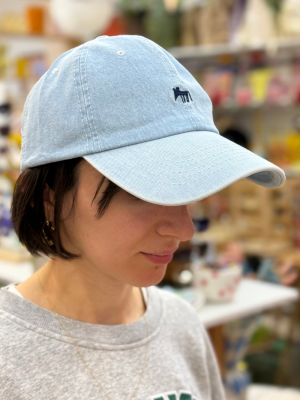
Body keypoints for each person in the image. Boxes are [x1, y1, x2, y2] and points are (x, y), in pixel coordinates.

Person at [0, 35, 285, 400]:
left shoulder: (182, 327)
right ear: (50, 199)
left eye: (187, 188)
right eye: (142, 191)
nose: (183, 229)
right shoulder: (9, 355)